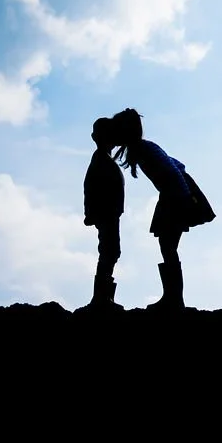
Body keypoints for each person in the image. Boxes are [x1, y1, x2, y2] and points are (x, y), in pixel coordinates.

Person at [111, 108, 193, 310]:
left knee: (168, 247)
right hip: (175, 195)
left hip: (174, 197)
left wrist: (172, 195)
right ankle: (173, 298)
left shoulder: (143, 149)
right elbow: (178, 165)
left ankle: (174, 300)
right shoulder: (145, 147)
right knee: (168, 247)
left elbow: (173, 169)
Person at [81, 117, 125, 310]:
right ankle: (101, 299)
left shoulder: (102, 158)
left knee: (111, 251)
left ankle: (104, 298)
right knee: (109, 250)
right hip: (106, 213)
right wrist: (92, 213)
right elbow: (90, 187)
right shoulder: (100, 159)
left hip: (109, 212)